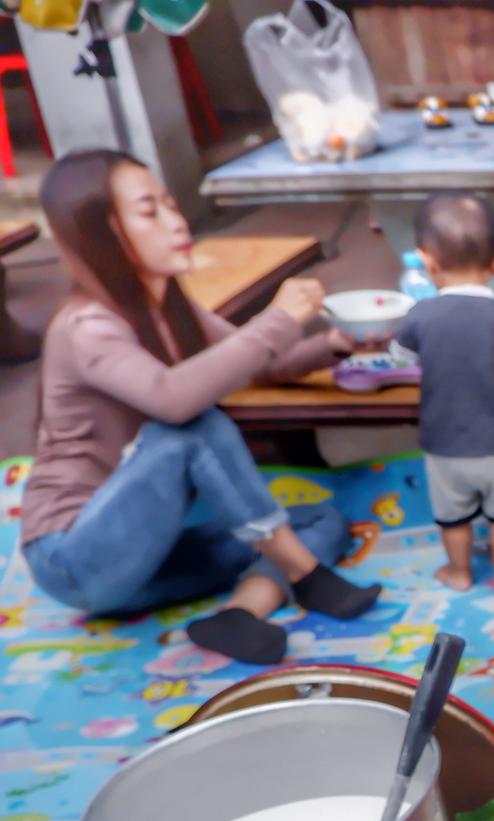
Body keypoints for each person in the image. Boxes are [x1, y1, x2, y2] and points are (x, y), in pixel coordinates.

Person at [22, 149, 381, 665]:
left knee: (320, 517)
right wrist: (277, 318)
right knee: (190, 426)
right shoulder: (86, 327)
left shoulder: (168, 304)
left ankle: (239, 615)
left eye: (170, 204)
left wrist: (341, 344)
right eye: (150, 212)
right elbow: (175, 398)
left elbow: (255, 364)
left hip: (151, 558)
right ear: (100, 234)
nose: (176, 222)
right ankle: (308, 577)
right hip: (75, 560)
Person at [388, 193, 494, 598]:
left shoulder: (418, 317)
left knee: (453, 519)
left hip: (442, 444)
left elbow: (402, 364)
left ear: (426, 262)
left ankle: (458, 572)